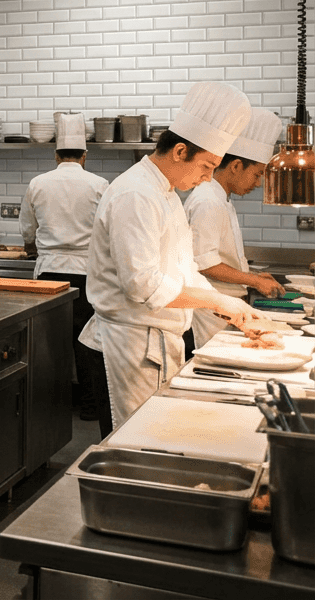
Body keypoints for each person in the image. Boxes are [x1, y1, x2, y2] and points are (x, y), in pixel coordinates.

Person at [79, 82, 275, 429]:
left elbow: (187, 270)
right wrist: (219, 301)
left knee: (152, 439)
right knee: (132, 444)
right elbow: (142, 285)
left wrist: (228, 307)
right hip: (127, 348)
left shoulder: (166, 193)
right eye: (207, 166)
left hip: (153, 344)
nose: (208, 178)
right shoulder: (135, 194)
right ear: (181, 151)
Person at [19, 113, 112, 432]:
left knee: (50, 343)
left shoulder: (38, 183)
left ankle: (50, 405)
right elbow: (107, 231)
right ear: (85, 155)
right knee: (86, 343)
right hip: (87, 273)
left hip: (49, 274)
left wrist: (32, 246)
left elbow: (27, 229)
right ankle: (89, 406)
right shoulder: (99, 185)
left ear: (56, 155)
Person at [185, 107, 286, 348]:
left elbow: (219, 256)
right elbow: (205, 263)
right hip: (212, 311)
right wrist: (254, 281)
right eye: (257, 174)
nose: (258, 183)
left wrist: (252, 277)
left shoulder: (220, 198)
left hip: (226, 308)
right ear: (236, 165)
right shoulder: (208, 201)